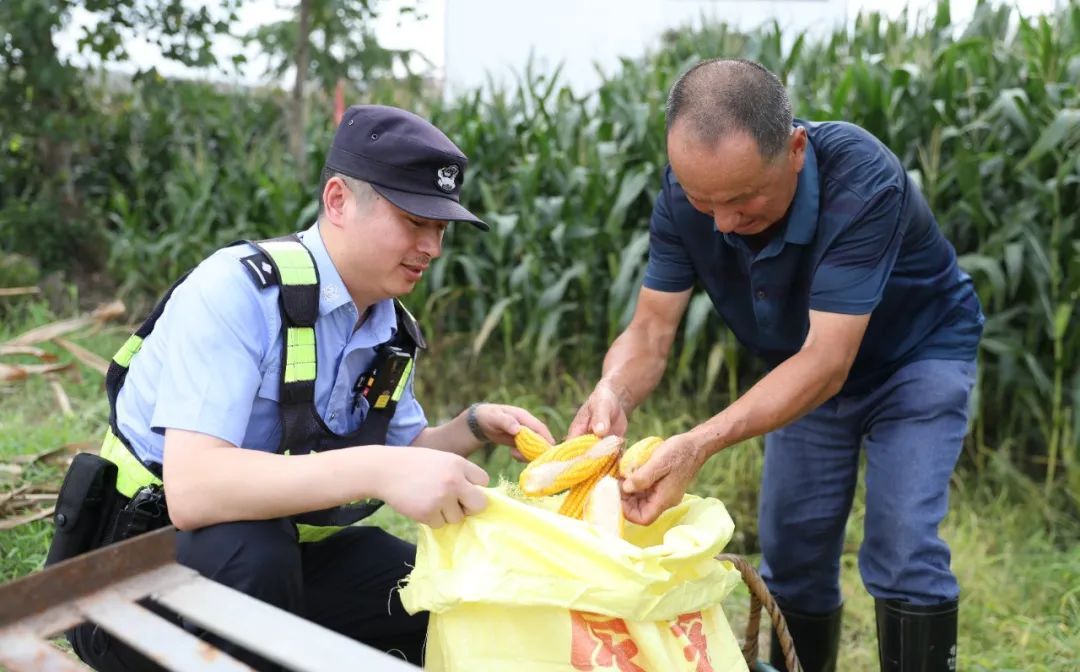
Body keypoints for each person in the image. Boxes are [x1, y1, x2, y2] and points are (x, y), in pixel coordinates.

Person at [63, 104, 555, 670]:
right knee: (254, 551)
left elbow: (404, 454)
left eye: (441, 229)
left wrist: (473, 427)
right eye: (415, 221)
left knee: (419, 589)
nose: (432, 248)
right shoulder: (238, 290)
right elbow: (196, 490)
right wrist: (378, 470)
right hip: (126, 578)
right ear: (339, 200)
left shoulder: (388, 327)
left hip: (265, 567)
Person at [569, 59, 982, 672]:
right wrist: (614, 390)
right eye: (703, 201)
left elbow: (826, 361)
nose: (725, 223)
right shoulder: (687, 197)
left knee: (902, 547)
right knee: (791, 555)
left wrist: (698, 443)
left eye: (742, 199)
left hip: (915, 358)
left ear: (794, 148)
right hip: (800, 371)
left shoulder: (862, 179)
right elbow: (651, 330)